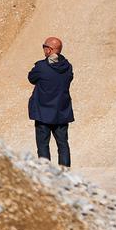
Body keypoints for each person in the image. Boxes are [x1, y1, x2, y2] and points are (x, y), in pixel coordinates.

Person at [27, 36, 74, 167]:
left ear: (50, 49)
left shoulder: (41, 67)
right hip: (61, 113)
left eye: (44, 47)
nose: (43, 49)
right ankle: (65, 175)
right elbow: (69, 79)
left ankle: (46, 174)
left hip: (43, 114)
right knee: (63, 144)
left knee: (43, 146)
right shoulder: (67, 67)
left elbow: (31, 78)